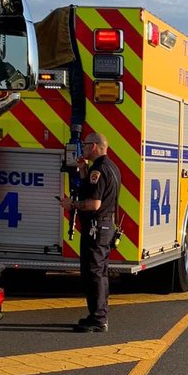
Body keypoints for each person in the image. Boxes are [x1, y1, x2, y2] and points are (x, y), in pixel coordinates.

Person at [60, 132, 120, 333]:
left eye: (85, 145)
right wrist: (83, 170)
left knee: (93, 273)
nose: (83, 149)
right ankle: (99, 315)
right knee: (100, 273)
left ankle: (98, 318)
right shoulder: (110, 167)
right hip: (104, 227)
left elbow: (94, 203)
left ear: (94, 146)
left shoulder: (99, 170)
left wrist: (72, 204)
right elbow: (93, 191)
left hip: (96, 228)